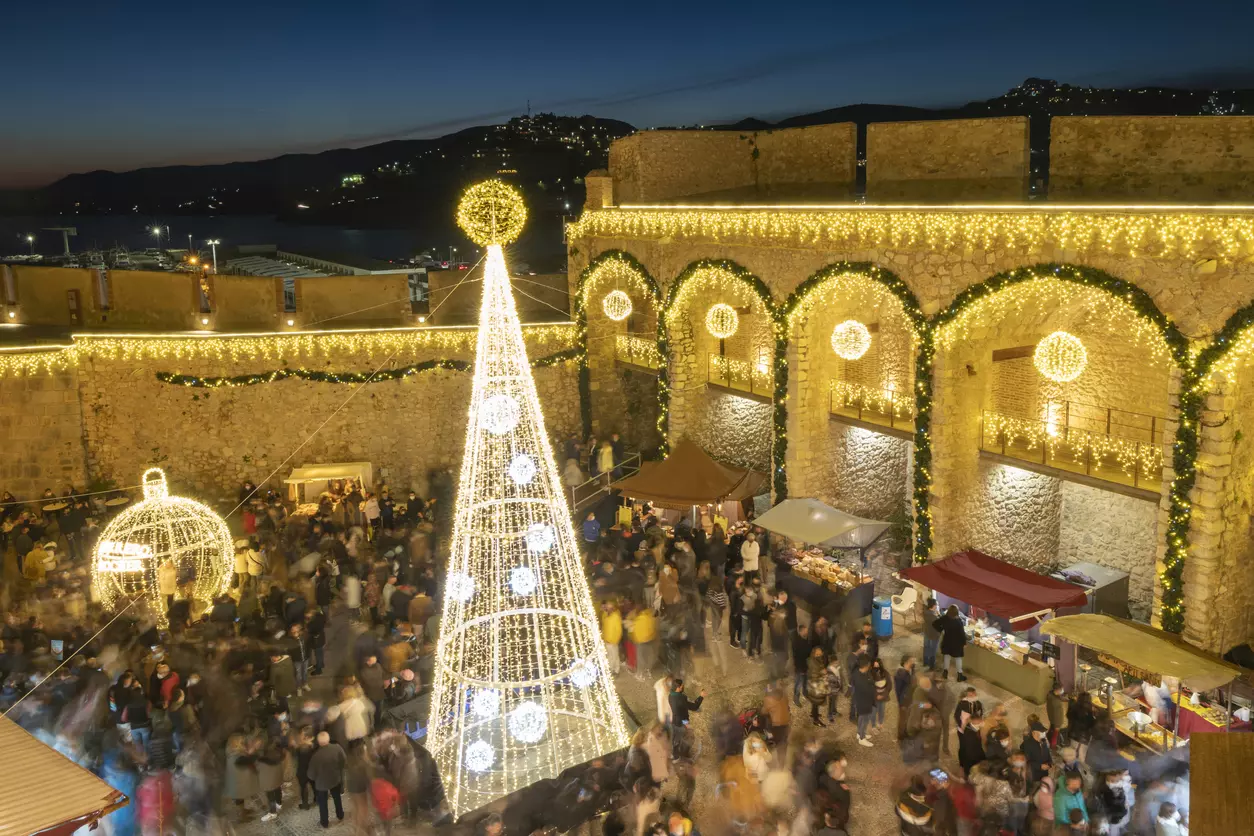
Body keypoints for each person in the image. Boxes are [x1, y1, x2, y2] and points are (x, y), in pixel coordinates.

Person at [309, 730, 347, 828]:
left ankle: (324, 822)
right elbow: (343, 761)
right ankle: (340, 815)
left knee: (323, 803)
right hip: (335, 779)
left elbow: (311, 775)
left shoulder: (316, 756)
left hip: (322, 784)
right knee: (337, 798)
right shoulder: (337, 748)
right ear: (328, 739)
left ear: (319, 742)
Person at [932, 605, 967, 680]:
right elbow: (962, 634)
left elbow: (934, 624)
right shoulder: (959, 621)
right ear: (956, 612)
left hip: (947, 641)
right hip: (957, 643)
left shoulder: (945, 618)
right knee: (958, 658)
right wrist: (964, 643)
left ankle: (945, 672)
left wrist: (941, 629)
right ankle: (959, 675)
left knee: (946, 656)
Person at [851, 654, 876, 747]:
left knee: (861, 718)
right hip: (864, 701)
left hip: (860, 700)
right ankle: (862, 738)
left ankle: (859, 733)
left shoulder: (857, 672)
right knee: (865, 719)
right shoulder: (861, 678)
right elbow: (868, 690)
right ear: (866, 665)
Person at [805, 646, 830, 726]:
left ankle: (813, 713)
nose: (819, 655)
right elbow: (814, 674)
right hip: (815, 685)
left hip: (815, 684)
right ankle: (816, 720)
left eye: (820, 653)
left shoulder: (816, 660)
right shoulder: (813, 663)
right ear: (813, 654)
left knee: (814, 701)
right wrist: (822, 673)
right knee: (816, 701)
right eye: (817, 654)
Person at [1022, 718, 1051, 784]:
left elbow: (1047, 753)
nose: (1044, 733)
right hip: (1034, 774)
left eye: (1043, 731)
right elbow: (1027, 761)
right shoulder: (1027, 744)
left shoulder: (1044, 741)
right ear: (1034, 733)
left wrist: (1050, 763)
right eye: (1041, 732)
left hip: (1045, 773)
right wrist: (1039, 766)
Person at [957, 714, 986, 779]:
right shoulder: (969, 735)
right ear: (973, 721)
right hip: (971, 761)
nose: (982, 723)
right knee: (971, 776)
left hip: (975, 756)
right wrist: (979, 761)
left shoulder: (975, 728)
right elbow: (968, 751)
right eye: (980, 722)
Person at [894, 656, 916, 738]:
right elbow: (898, 690)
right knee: (903, 718)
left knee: (908, 716)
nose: (912, 662)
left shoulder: (908, 672)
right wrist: (900, 702)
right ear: (905, 663)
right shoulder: (901, 674)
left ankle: (905, 731)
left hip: (909, 699)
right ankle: (901, 734)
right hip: (904, 700)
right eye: (911, 661)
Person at [792, 622, 812, 706]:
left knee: (805, 682)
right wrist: (801, 668)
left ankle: (805, 693)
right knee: (798, 683)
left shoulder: (805, 640)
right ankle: (796, 698)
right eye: (805, 630)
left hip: (805, 666)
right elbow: (798, 656)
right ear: (801, 631)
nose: (807, 632)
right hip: (800, 667)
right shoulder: (798, 642)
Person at [601, 600, 623, 675]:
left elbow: (619, 630)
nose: (608, 609)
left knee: (614, 656)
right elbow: (604, 628)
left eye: (610, 608)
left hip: (613, 641)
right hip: (606, 640)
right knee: (611, 656)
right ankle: (614, 669)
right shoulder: (606, 616)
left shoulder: (615, 616)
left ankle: (614, 670)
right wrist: (603, 637)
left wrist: (615, 640)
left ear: (613, 608)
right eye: (607, 607)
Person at [921, 598, 940, 670]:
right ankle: (932, 666)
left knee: (926, 648)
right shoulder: (934, 617)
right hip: (934, 635)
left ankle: (925, 663)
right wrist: (939, 614)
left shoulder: (925, 612)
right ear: (934, 606)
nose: (937, 606)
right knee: (932, 650)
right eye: (936, 605)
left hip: (927, 632)